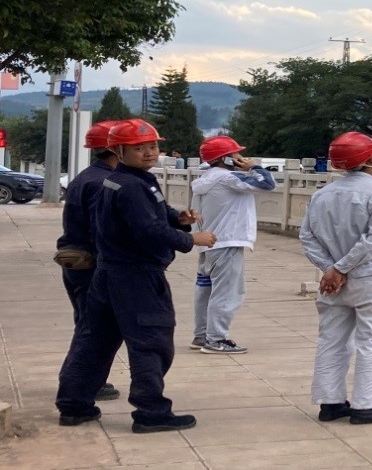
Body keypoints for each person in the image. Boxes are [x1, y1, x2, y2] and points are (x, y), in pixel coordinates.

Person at [55, 119, 217, 433]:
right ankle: (150, 411)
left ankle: (74, 405)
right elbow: (148, 229)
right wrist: (191, 239)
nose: (149, 153)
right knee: (151, 341)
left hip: (109, 274)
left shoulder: (122, 180)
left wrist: (178, 218)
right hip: (135, 277)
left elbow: (153, 213)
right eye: (138, 148)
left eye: (152, 146)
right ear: (118, 151)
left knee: (95, 340)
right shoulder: (130, 185)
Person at [299, 131, 372, 425]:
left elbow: (307, 237)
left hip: (333, 282)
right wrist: (341, 268)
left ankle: (330, 402)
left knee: (332, 340)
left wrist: (330, 268)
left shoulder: (321, 195)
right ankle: (367, 406)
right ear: (371, 160)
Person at [53, 120, 122, 403]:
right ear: (116, 149)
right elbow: (101, 230)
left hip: (76, 260)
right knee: (94, 327)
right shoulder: (103, 182)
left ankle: (84, 379)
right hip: (91, 263)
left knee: (87, 322)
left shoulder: (87, 177)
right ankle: (82, 382)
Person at [189, 135, 276, 354]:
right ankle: (217, 339)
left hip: (208, 244)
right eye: (236, 154)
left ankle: (202, 335)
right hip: (227, 243)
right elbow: (267, 184)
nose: (241, 157)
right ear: (225, 158)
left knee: (205, 291)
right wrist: (254, 167)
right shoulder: (229, 178)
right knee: (227, 292)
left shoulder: (204, 180)